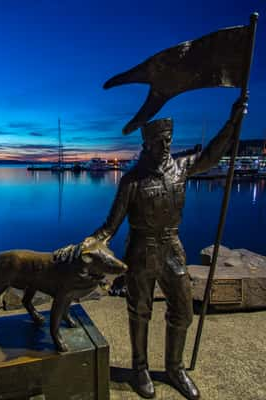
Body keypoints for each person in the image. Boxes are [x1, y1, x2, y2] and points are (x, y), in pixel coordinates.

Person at [55, 94, 248, 400]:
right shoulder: (131, 180)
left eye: (169, 139)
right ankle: (140, 368)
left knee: (183, 311)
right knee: (139, 311)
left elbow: (211, 155)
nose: (166, 145)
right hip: (141, 250)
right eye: (160, 141)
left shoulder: (181, 168)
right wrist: (86, 246)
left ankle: (175, 368)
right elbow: (110, 226)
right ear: (147, 144)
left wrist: (232, 122)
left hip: (172, 247)